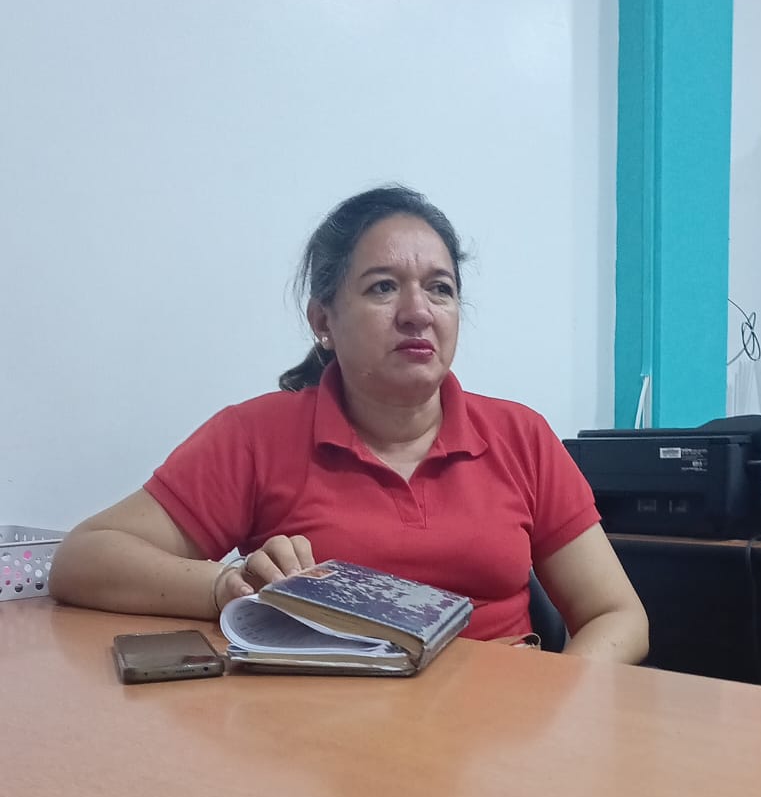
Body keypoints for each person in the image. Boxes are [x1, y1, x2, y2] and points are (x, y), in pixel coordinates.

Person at [50, 186, 648, 662]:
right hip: (322, 740)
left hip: (498, 741)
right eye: (383, 287)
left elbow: (617, 615)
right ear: (323, 321)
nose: (417, 313)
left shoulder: (521, 436)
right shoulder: (256, 436)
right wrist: (222, 586)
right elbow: (83, 558)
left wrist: (555, 704)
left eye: (440, 289)